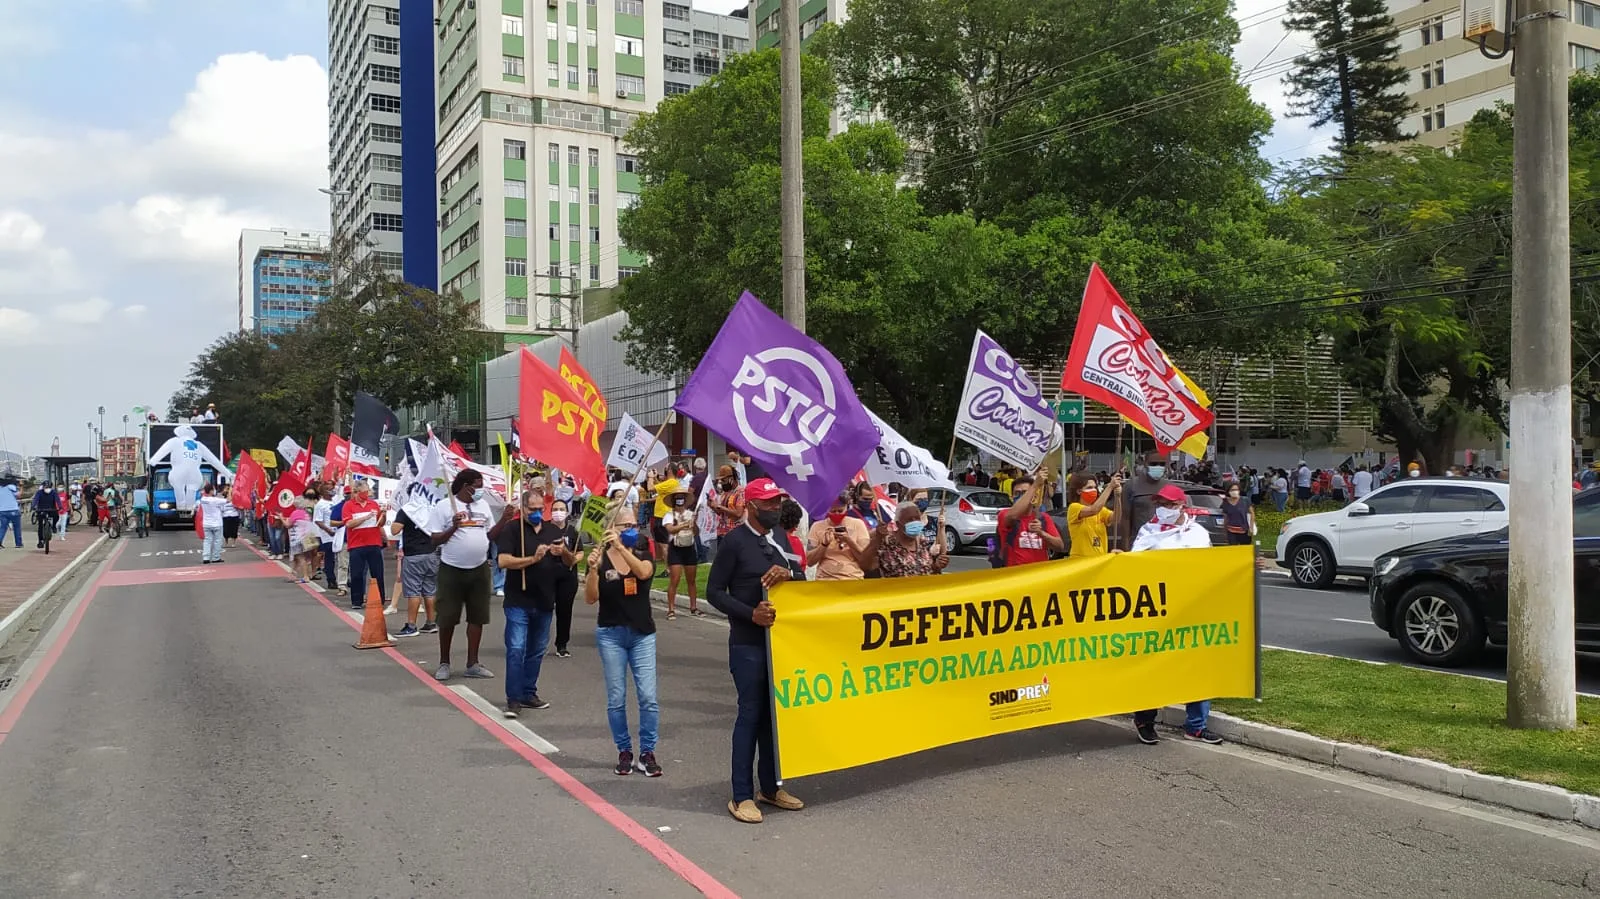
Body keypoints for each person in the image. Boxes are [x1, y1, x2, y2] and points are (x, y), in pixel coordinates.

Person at [706, 478, 805, 824]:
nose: (775, 509)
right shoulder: (734, 542)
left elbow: (802, 577)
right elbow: (714, 592)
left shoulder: (781, 539)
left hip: (780, 645)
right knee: (750, 714)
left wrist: (788, 573)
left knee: (773, 718)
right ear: (750, 507)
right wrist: (751, 613)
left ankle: (771, 786)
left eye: (778, 503)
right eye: (768, 504)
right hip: (748, 643)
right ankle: (742, 795)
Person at [1130, 483, 1221, 745]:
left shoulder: (1198, 534)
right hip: (1158, 613)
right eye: (1161, 504)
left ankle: (1196, 725)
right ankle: (1145, 720)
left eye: (1170, 504)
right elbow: (1134, 568)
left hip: (1192, 609)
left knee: (1197, 667)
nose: (1165, 509)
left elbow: (1213, 568)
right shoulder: (1149, 531)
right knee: (1154, 666)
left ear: (1182, 505)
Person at [583, 502, 662, 777]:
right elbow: (591, 598)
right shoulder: (600, 556)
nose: (631, 530)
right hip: (611, 634)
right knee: (617, 698)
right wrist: (592, 570)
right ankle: (624, 750)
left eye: (633, 525)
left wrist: (620, 547)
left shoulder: (642, 549)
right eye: (624, 526)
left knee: (648, 697)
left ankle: (648, 751)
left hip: (642, 634)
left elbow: (643, 573)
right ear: (610, 529)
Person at [495, 491, 566, 713]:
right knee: (516, 648)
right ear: (523, 508)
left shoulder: (552, 530)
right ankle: (513, 698)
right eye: (531, 509)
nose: (536, 513)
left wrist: (563, 553)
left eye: (539, 510)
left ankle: (528, 692)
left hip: (545, 600)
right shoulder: (512, 530)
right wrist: (532, 559)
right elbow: (503, 561)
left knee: (536, 650)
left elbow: (570, 561)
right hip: (518, 599)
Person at [427, 470, 499, 682]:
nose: (480, 489)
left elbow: (490, 535)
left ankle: (473, 663)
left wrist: (504, 520)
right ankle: (444, 662)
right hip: (452, 569)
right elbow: (435, 540)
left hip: (479, 568)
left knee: (478, 617)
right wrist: (454, 527)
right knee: (447, 617)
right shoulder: (443, 506)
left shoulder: (483, 506)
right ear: (466, 485)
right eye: (478, 485)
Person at [389, 499, 440, 638]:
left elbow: (394, 530)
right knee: (429, 591)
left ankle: (411, 625)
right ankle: (431, 622)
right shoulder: (432, 509)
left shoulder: (407, 510)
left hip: (413, 555)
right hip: (431, 553)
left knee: (413, 591)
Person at [867, 501, 948, 578]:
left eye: (917, 518)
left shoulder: (922, 541)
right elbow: (866, 566)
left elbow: (928, 571)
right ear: (898, 523)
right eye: (909, 519)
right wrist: (877, 538)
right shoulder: (886, 542)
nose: (914, 522)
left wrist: (937, 566)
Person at [997, 473, 1063, 566]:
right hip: (1015, 575)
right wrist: (1035, 484)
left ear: (1034, 496)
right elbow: (1012, 517)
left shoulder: (1043, 518)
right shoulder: (1005, 514)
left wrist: (1041, 533)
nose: (1022, 497)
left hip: (1038, 575)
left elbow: (1059, 546)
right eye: (1017, 493)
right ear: (1011, 497)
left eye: (1025, 493)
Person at [544, 498, 581, 657]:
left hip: (567, 575)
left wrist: (572, 558)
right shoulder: (544, 529)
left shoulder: (572, 531)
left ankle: (562, 644)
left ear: (566, 512)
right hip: (546, 575)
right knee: (544, 609)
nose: (558, 512)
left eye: (561, 509)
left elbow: (579, 553)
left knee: (564, 611)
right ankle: (539, 642)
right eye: (555, 509)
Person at [342, 480, 388, 611]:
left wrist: (384, 515)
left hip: (374, 543)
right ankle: (357, 600)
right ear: (357, 492)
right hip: (356, 545)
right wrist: (365, 517)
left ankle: (380, 598)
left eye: (367, 492)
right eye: (364, 492)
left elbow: (380, 523)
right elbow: (349, 524)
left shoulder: (373, 504)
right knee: (357, 574)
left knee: (377, 573)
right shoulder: (348, 506)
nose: (367, 494)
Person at [807, 492, 872, 580]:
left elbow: (866, 559)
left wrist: (849, 541)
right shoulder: (817, 526)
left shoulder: (858, 524)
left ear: (847, 507)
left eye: (840, 511)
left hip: (852, 578)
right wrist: (823, 545)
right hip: (825, 579)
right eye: (833, 511)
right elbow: (809, 561)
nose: (837, 514)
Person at [661, 486, 702, 618]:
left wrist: (693, 524)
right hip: (676, 548)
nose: (680, 500)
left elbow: (696, 532)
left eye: (682, 498)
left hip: (689, 547)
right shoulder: (669, 515)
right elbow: (670, 529)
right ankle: (671, 609)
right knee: (675, 579)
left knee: (691, 580)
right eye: (677, 498)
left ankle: (693, 607)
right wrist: (683, 525)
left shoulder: (690, 514)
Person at [1066, 472, 1120, 558]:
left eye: (1095, 487)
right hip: (1080, 561)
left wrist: (1118, 497)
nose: (1094, 490)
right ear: (1079, 491)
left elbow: (1116, 517)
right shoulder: (1074, 508)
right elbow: (1093, 510)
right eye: (1089, 487)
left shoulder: (1101, 510)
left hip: (1099, 560)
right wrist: (1109, 487)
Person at [313, 482, 343, 596]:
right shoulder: (320, 504)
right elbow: (318, 520)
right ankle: (331, 579)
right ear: (324, 491)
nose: (332, 491)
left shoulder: (335, 501)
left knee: (341, 557)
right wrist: (328, 530)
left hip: (339, 532)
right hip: (328, 535)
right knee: (330, 557)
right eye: (329, 489)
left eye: (333, 489)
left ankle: (343, 579)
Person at [196, 484, 229, 562]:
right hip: (217, 523)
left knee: (207, 541)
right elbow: (228, 500)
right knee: (218, 540)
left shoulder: (203, 499)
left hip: (206, 523)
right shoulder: (215, 500)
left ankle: (206, 558)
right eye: (213, 489)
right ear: (211, 491)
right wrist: (230, 491)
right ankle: (216, 557)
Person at [1220, 481, 1255, 546]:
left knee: (1244, 550)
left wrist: (1251, 527)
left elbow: (1252, 513)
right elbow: (1225, 518)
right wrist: (1224, 532)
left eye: (1236, 489)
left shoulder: (1245, 500)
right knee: (1234, 551)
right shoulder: (1225, 503)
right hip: (1231, 531)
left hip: (1244, 531)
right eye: (1232, 490)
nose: (1234, 491)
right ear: (1228, 491)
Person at [29, 482, 59, 549]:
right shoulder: (39, 492)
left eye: (48, 487)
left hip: (51, 509)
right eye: (46, 487)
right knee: (40, 525)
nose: (47, 489)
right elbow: (35, 500)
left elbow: (58, 500)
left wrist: (60, 506)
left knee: (56, 516)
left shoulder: (54, 492)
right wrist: (33, 506)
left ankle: (54, 526)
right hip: (41, 509)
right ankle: (40, 541)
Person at [0, 478, 21, 548]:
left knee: (3, 527)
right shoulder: (11, 486)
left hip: (2, 510)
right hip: (13, 509)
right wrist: (21, 487)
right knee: (17, 527)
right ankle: (18, 543)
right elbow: (18, 495)